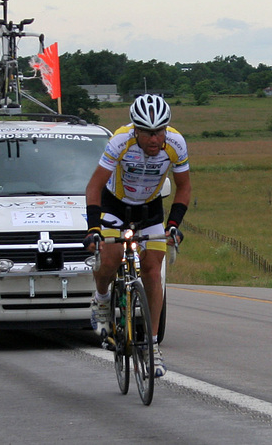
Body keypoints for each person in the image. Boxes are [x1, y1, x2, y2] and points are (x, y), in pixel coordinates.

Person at [84, 94, 191, 377]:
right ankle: (103, 299)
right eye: (147, 132)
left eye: (160, 131)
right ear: (136, 130)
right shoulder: (120, 142)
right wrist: (94, 228)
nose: (155, 139)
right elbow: (93, 187)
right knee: (111, 257)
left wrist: (174, 224)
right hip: (115, 204)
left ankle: (152, 346)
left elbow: (184, 187)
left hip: (150, 208)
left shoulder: (177, 145)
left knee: (153, 271)